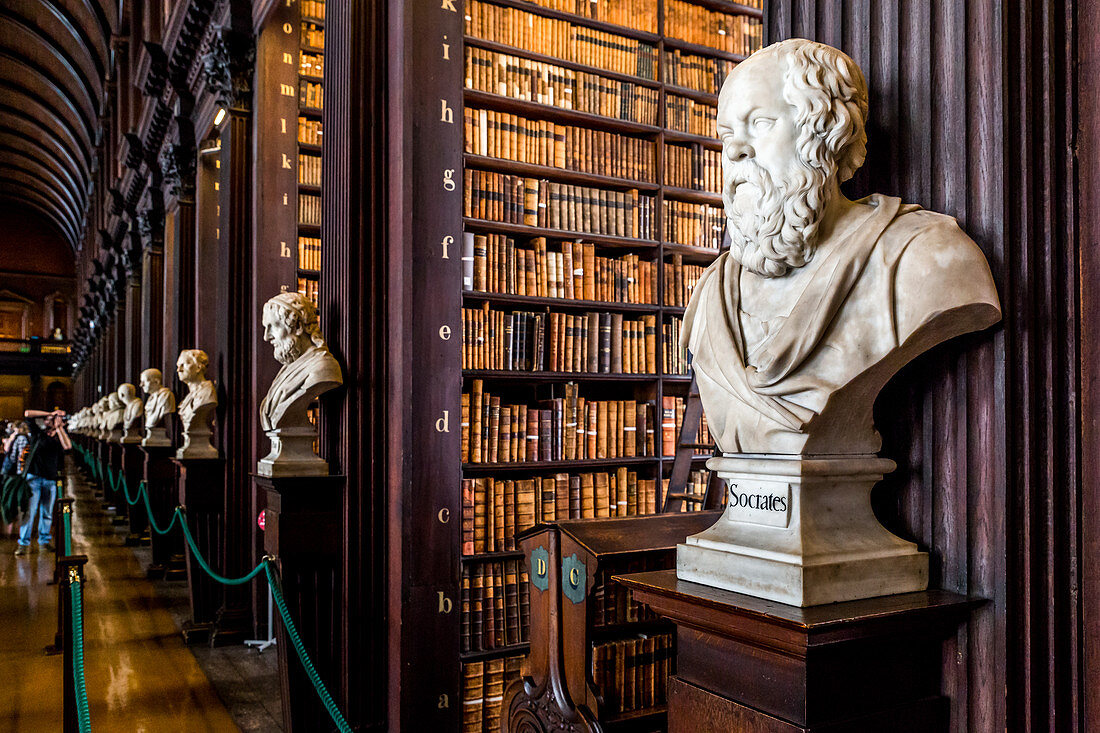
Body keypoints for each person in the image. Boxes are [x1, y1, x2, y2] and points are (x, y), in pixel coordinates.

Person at [14, 409, 71, 556]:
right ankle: (23, 543)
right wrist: (50, 413)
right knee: (30, 512)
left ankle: (44, 541)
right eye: (47, 419)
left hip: (50, 480)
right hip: (34, 478)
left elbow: (67, 447)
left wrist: (59, 428)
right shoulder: (38, 433)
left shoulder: (59, 437)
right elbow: (27, 413)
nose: (47, 421)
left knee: (47, 514)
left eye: (50, 419)